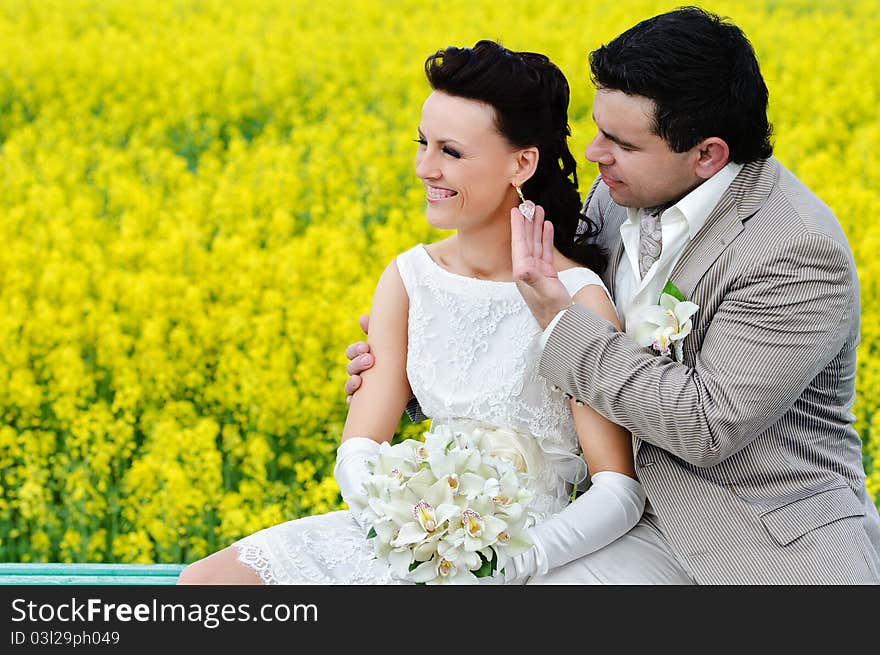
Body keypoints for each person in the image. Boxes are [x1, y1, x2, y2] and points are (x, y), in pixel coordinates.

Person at [346, 8, 880, 584]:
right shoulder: (622, 186)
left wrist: (558, 321)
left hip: (751, 537)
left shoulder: (793, 251)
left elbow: (702, 425)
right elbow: (534, 339)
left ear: (708, 155)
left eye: (621, 141)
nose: (594, 153)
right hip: (605, 515)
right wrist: (418, 366)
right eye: (598, 127)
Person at [177, 39, 691, 585]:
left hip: (523, 548)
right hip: (408, 530)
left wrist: (515, 561)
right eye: (423, 143)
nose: (426, 168)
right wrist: (399, 524)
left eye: (451, 152)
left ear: (522, 163)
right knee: (206, 587)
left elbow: (618, 489)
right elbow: (359, 446)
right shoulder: (406, 278)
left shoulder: (575, 297)